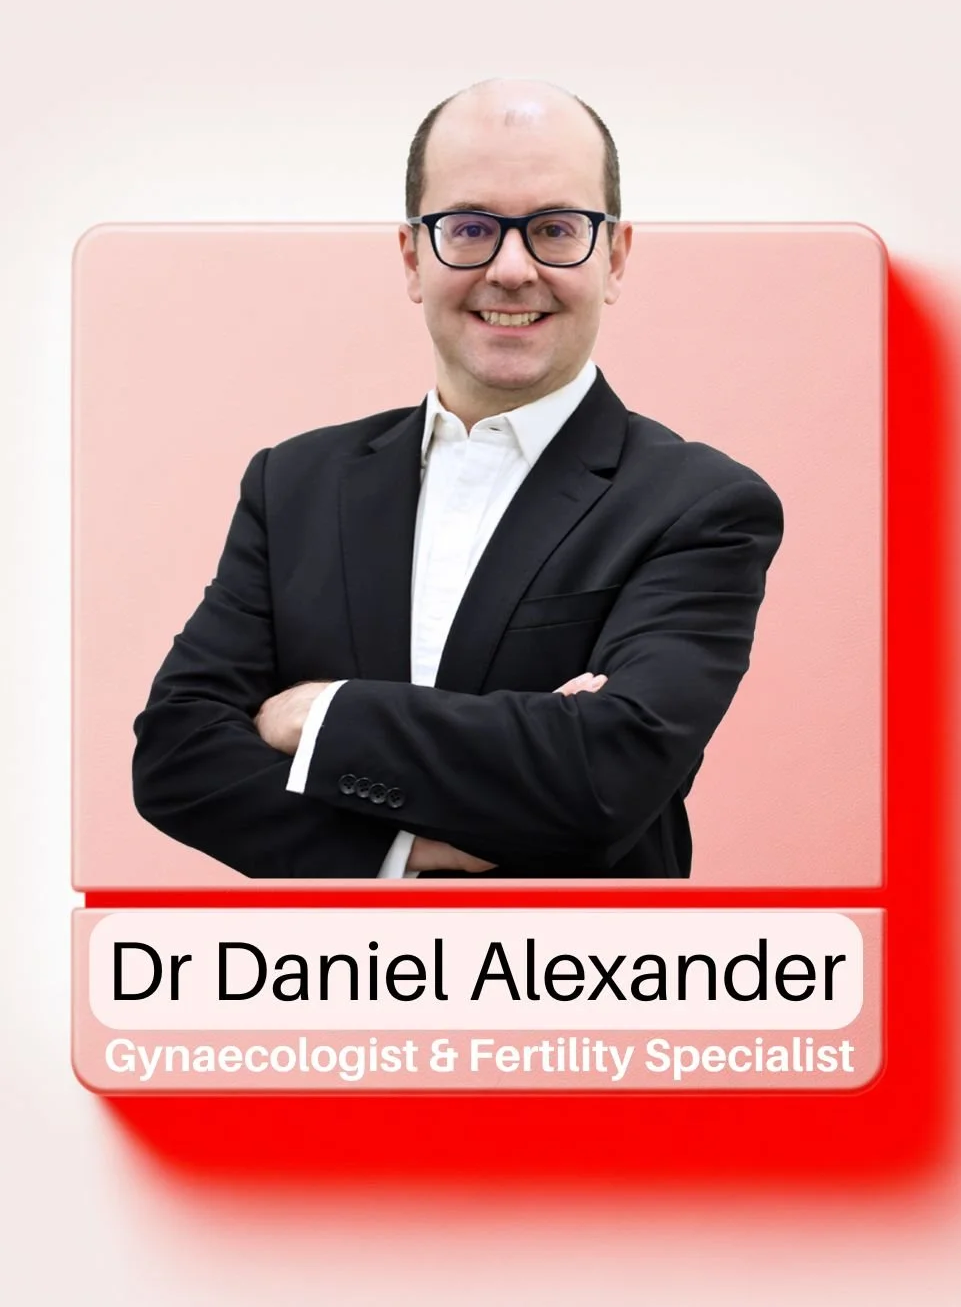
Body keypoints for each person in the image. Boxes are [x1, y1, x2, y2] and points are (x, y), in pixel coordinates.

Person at [132, 79, 783, 879]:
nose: (511, 270)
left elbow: (605, 777)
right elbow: (177, 755)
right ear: (413, 258)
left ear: (614, 258)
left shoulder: (702, 506)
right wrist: (400, 845)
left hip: (582, 960)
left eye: (555, 229)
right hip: (341, 959)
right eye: (470, 228)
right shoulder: (294, 484)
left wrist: (320, 713)